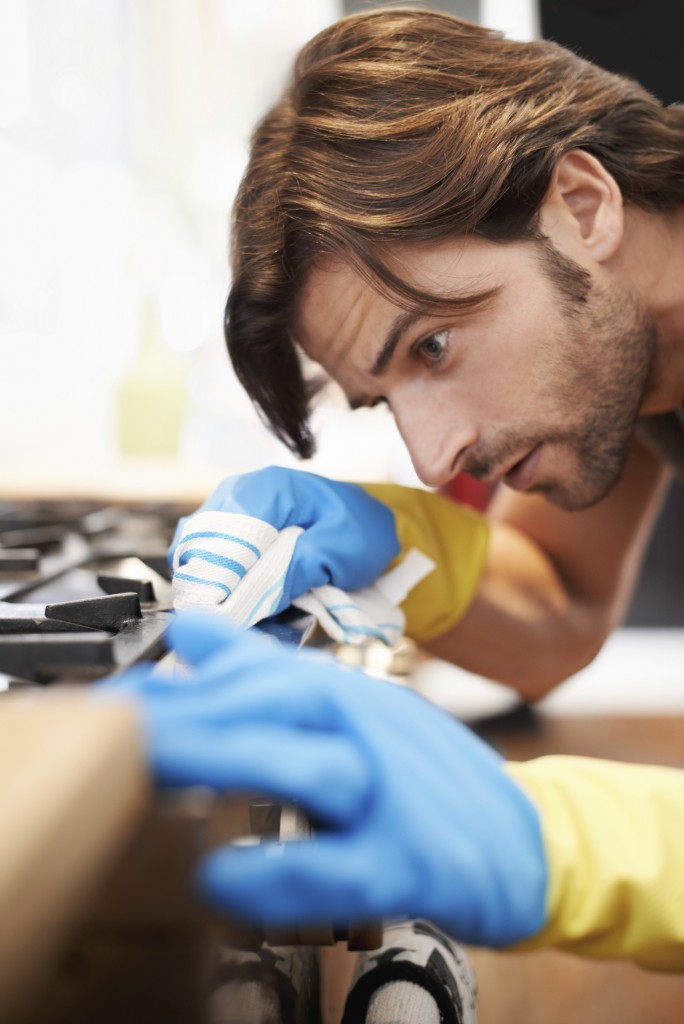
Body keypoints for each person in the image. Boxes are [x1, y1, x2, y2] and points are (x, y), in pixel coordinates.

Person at [115, 4, 684, 1009]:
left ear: (583, 204)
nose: (432, 456)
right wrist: (391, 546)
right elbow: (558, 606)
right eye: (387, 398)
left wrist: (563, 844)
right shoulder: (635, 352)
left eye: (433, 345)